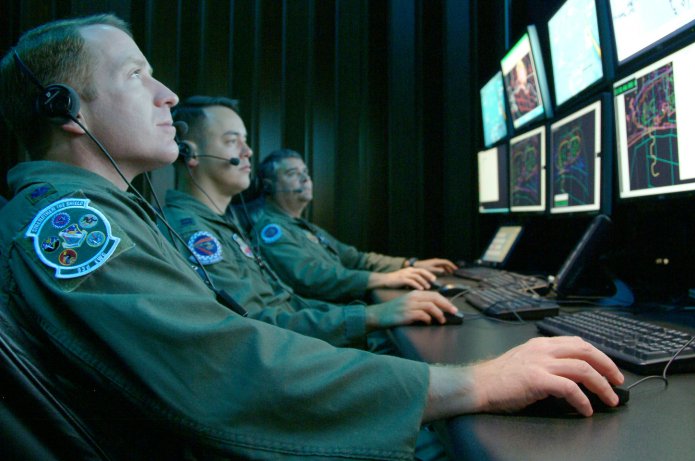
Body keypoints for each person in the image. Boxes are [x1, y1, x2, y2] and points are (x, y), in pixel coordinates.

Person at [0, 14, 623, 459]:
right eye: (139, 75)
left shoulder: (113, 211)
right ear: (65, 109)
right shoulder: (73, 226)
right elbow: (222, 366)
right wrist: (476, 383)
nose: (169, 95)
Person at [164, 95, 460, 352]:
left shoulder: (223, 224)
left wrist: (378, 304)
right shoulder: (195, 233)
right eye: (232, 141)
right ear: (190, 153)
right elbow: (256, 323)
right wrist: (371, 315)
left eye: (246, 141)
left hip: (301, 340)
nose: (248, 151)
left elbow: (290, 301)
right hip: (284, 358)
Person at [251, 149, 459, 302]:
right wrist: (384, 279)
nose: (305, 178)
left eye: (305, 171)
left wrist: (410, 264)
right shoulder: (272, 231)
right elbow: (312, 278)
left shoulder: (305, 227)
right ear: (269, 186)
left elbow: (356, 258)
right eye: (292, 174)